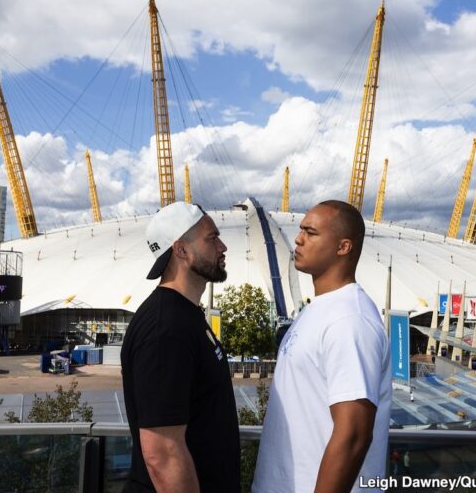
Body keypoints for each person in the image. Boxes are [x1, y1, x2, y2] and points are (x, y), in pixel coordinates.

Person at [253, 200, 392, 493]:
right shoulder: (318, 309)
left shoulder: (350, 319)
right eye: (301, 230)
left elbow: (353, 434)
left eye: (311, 232)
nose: (298, 239)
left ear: (343, 247)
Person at [120, 202, 240, 493]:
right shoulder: (165, 328)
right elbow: (161, 453)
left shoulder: (184, 316)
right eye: (212, 238)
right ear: (182, 250)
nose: (223, 247)